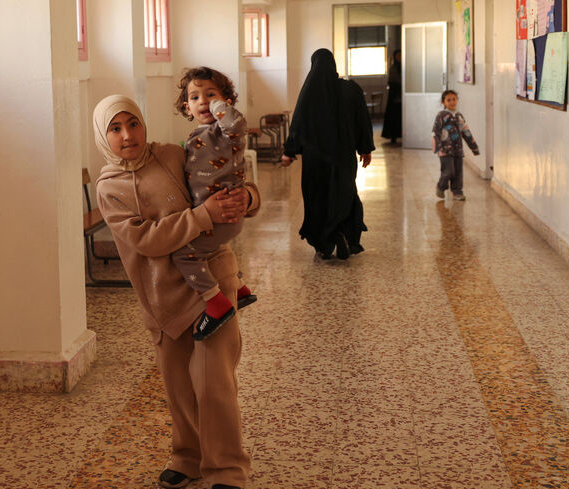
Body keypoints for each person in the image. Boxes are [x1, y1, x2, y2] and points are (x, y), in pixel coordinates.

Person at [93, 95, 257, 489]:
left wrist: (248, 198)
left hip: (213, 287)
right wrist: (204, 216)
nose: (127, 134)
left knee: (213, 385)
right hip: (162, 297)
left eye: (133, 123)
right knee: (179, 387)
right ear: (103, 135)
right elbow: (146, 239)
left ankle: (226, 469)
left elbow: (221, 174)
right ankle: (188, 457)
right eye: (115, 128)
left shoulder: (171, 154)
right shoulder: (109, 188)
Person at [171, 66, 257, 341]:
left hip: (224, 212)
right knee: (210, 252)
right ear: (187, 107)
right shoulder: (198, 135)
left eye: (211, 95)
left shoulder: (225, 132)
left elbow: (237, 124)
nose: (204, 102)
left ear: (226, 101)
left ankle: (215, 303)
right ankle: (240, 289)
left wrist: (221, 107)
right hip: (212, 215)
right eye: (195, 98)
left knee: (185, 254)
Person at [280, 48, 375, 260]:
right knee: (344, 193)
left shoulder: (309, 92)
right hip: (343, 156)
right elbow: (362, 121)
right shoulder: (351, 89)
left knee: (317, 198)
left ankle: (324, 244)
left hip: (316, 160)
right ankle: (342, 232)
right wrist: (365, 148)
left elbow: (298, 124)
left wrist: (289, 151)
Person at [432, 89, 479, 201]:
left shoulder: (459, 116)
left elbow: (466, 132)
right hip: (445, 150)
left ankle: (457, 192)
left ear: (457, 100)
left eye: (454, 99)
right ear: (443, 102)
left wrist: (474, 148)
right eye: (449, 100)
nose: (452, 102)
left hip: (458, 150)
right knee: (448, 171)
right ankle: (441, 186)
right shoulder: (441, 115)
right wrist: (437, 146)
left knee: (458, 172)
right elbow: (435, 131)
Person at [381, 49, 402, 144]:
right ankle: (393, 136)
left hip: (403, 95)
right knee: (394, 116)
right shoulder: (393, 68)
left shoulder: (405, 67)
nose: (399, 57)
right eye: (397, 56)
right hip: (394, 95)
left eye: (400, 55)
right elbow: (392, 81)